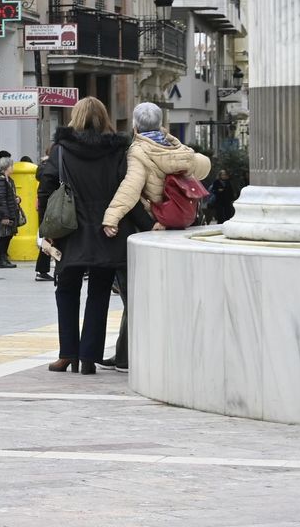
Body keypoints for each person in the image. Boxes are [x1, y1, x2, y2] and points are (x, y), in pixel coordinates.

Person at [37, 97, 149, 375]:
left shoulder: (61, 150)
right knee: (99, 292)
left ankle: (67, 354)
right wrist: (149, 224)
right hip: (108, 230)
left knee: (66, 290)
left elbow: (45, 189)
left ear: (75, 117)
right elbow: (130, 192)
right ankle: (88, 357)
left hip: (70, 231)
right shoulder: (118, 151)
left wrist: (46, 231)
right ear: (104, 118)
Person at [96, 103, 207, 371]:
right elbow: (202, 167)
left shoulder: (139, 151)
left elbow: (131, 187)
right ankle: (130, 355)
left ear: (135, 126)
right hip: (181, 221)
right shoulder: (177, 147)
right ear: (161, 125)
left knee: (136, 297)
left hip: (155, 223)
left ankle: (127, 357)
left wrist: (111, 218)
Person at [0, 156, 21, 269]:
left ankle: (4, 258)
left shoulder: (9, 180)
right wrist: (5, 216)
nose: (12, 168)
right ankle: (2, 260)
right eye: (11, 166)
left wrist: (17, 199)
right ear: (6, 167)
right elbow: (1, 200)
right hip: (5, 214)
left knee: (8, 235)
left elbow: (9, 196)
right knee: (3, 236)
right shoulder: (0, 181)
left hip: (10, 212)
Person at [33, 146, 54, 282]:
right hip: (50, 206)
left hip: (44, 205)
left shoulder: (42, 167)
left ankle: (42, 269)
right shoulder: (50, 168)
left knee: (48, 237)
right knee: (49, 238)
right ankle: (42, 269)